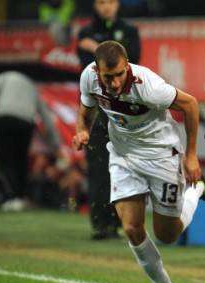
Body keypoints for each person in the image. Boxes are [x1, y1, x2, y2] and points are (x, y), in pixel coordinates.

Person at [73, 41, 205, 283]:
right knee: (130, 227)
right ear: (97, 71)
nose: (114, 83)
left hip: (162, 155)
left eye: (119, 75)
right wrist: (82, 130)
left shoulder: (148, 85)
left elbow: (191, 105)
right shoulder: (88, 77)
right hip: (124, 156)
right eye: (108, 77)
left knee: (167, 235)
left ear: (127, 66)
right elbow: (85, 110)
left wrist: (192, 155)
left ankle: (196, 190)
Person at [77, 0, 141, 240]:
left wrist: (94, 47)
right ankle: (101, 224)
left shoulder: (130, 31)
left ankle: (122, 221)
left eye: (110, 2)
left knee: (125, 168)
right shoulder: (85, 31)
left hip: (125, 111)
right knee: (99, 168)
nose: (106, 7)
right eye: (101, 2)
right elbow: (87, 68)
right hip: (96, 110)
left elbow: (132, 62)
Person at [0, 71, 60, 211]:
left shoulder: (4, 77)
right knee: (20, 160)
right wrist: (56, 145)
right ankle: (20, 197)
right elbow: (46, 116)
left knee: (5, 159)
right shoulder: (32, 87)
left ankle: (11, 197)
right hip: (26, 122)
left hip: (5, 118)